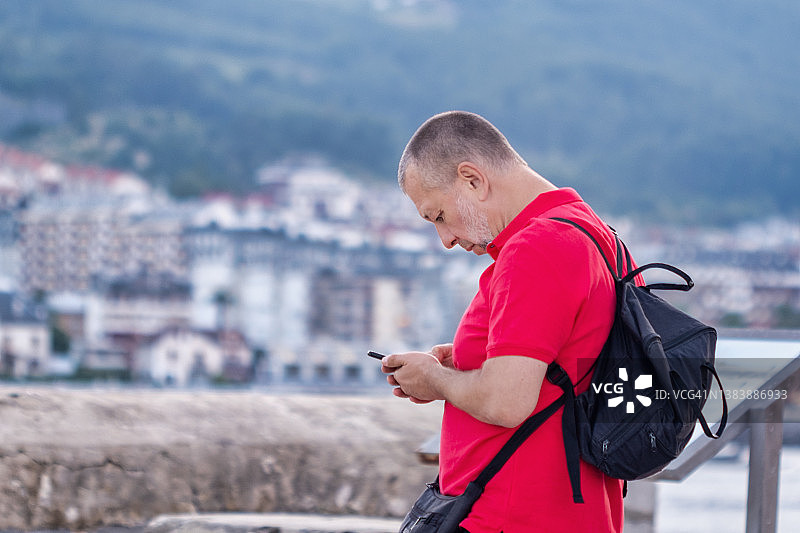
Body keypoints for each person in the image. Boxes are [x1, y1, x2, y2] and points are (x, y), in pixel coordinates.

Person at [383, 111, 625, 532]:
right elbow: (560, 368)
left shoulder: (538, 247)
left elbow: (506, 402)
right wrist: (465, 362)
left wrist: (435, 380)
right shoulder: (593, 234)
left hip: (514, 514)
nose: (445, 240)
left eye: (438, 215)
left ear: (472, 180)